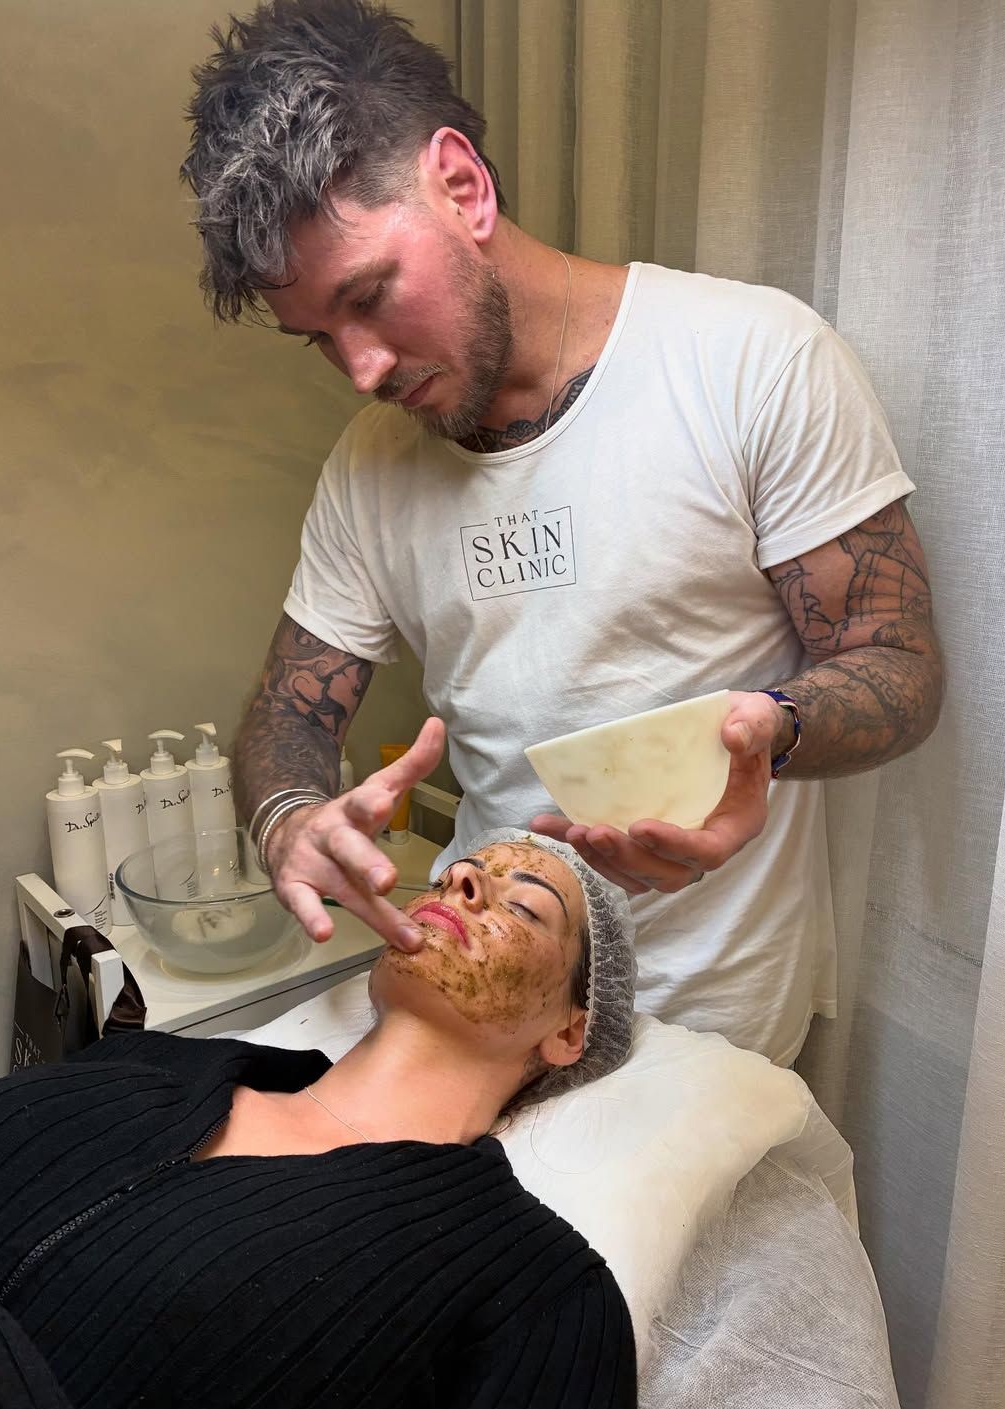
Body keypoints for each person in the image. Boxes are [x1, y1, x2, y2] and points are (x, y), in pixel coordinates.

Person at [180, 0, 943, 1064]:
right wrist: (291, 820)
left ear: (462, 184)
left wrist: (764, 734)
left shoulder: (753, 361)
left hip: (706, 1023)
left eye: (370, 296)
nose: (360, 367)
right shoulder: (371, 462)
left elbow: (896, 666)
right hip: (484, 1002)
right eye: (319, 336)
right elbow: (286, 715)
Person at [0, 833, 639, 1409]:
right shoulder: (157, 1061)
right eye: (455, 871)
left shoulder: (538, 1291)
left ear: (570, 1031)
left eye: (525, 907)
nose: (459, 875)